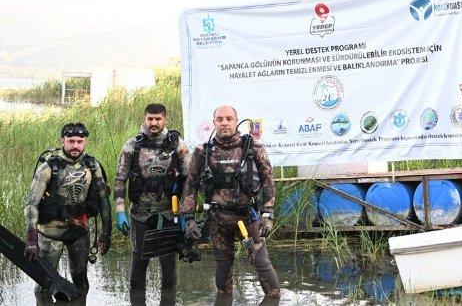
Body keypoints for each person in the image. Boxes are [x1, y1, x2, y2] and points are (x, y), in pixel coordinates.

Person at [182, 105, 280, 299]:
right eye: (220, 119)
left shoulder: (253, 147)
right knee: (223, 269)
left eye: (229, 119)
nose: (224, 123)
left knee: (262, 264)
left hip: (248, 219)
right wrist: (190, 219)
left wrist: (267, 215)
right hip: (218, 219)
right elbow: (190, 186)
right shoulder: (203, 151)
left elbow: (268, 180)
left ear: (236, 121)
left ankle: (273, 299)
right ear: (214, 123)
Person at [23, 122, 112, 293]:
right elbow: (31, 204)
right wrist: (32, 240)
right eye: (71, 141)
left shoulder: (93, 166)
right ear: (63, 141)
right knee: (44, 285)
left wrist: (106, 234)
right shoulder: (48, 168)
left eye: (80, 141)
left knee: (82, 283)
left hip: (80, 231)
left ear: (85, 141)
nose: (75, 146)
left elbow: (104, 201)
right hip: (50, 233)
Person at [114, 103, 191, 291]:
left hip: (169, 215)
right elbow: (119, 180)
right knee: (139, 265)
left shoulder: (178, 145)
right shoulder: (132, 145)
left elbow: (190, 180)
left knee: (169, 267)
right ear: (144, 119)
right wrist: (120, 211)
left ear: (166, 120)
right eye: (150, 118)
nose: (154, 122)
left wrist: (186, 214)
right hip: (140, 215)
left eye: (158, 119)